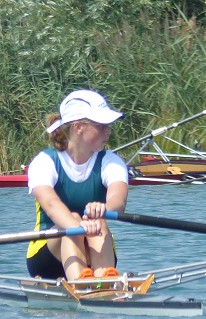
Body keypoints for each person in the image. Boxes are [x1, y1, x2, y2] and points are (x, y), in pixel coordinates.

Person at [26, 90, 129, 280]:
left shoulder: (111, 161)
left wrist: (105, 209)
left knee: (98, 220)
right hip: (47, 258)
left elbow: (118, 200)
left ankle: (104, 281)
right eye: (101, 126)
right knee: (72, 218)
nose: (108, 131)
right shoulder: (44, 162)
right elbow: (51, 205)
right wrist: (79, 226)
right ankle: (81, 282)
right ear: (78, 127)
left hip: (95, 246)